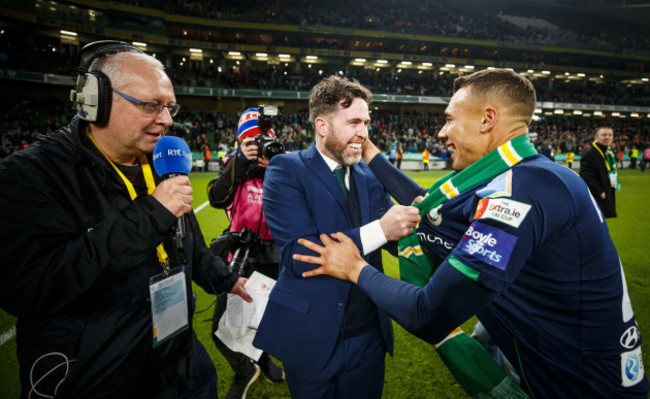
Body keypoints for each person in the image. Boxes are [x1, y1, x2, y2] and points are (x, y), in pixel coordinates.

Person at [295, 69, 649, 398]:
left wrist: (354, 267)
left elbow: (428, 312)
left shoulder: (520, 192)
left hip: (583, 388)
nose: (441, 132)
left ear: (487, 119)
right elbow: (431, 212)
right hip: (554, 368)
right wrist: (371, 154)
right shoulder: (528, 176)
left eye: (449, 119)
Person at [0, 40, 252, 398]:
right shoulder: (29, 176)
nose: (165, 120)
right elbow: (31, 288)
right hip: (97, 378)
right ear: (96, 100)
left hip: (180, 368)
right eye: (151, 105)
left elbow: (187, 240)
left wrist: (224, 279)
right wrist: (151, 214)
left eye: (169, 107)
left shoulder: (161, 163)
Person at [252, 75, 420, 398]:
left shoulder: (370, 176)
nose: (364, 133)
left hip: (369, 335)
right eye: (354, 121)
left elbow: (401, 239)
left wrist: (412, 232)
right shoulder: (286, 169)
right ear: (322, 126)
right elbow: (300, 255)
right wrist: (382, 229)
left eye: (367, 122)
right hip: (310, 336)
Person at [207, 108, 285, 399]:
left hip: (274, 259)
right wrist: (240, 162)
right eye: (249, 141)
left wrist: (278, 166)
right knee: (223, 326)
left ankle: (261, 360)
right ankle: (245, 368)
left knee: (262, 320)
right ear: (240, 143)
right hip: (241, 256)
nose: (256, 146)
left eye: (261, 139)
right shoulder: (233, 165)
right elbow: (217, 198)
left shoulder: (280, 167)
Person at [580, 126, 619, 218]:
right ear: (596, 137)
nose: (607, 137)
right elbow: (586, 176)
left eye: (610, 135)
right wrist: (599, 192)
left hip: (607, 191)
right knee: (595, 221)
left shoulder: (608, 151)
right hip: (597, 195)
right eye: (604, 135)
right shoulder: (590, 153)